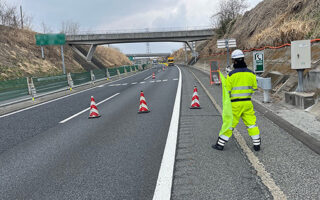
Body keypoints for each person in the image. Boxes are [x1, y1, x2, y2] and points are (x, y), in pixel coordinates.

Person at [212, 49, 261, 151]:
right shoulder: (252, 73)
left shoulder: (231, 75)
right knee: (251, 123)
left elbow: (227, 90)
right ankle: (257, 144)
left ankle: (220, 144)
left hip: (235, 104)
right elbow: (254, 88)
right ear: (243, 59)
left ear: (234, 61)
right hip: (247, 103)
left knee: (230, 124)